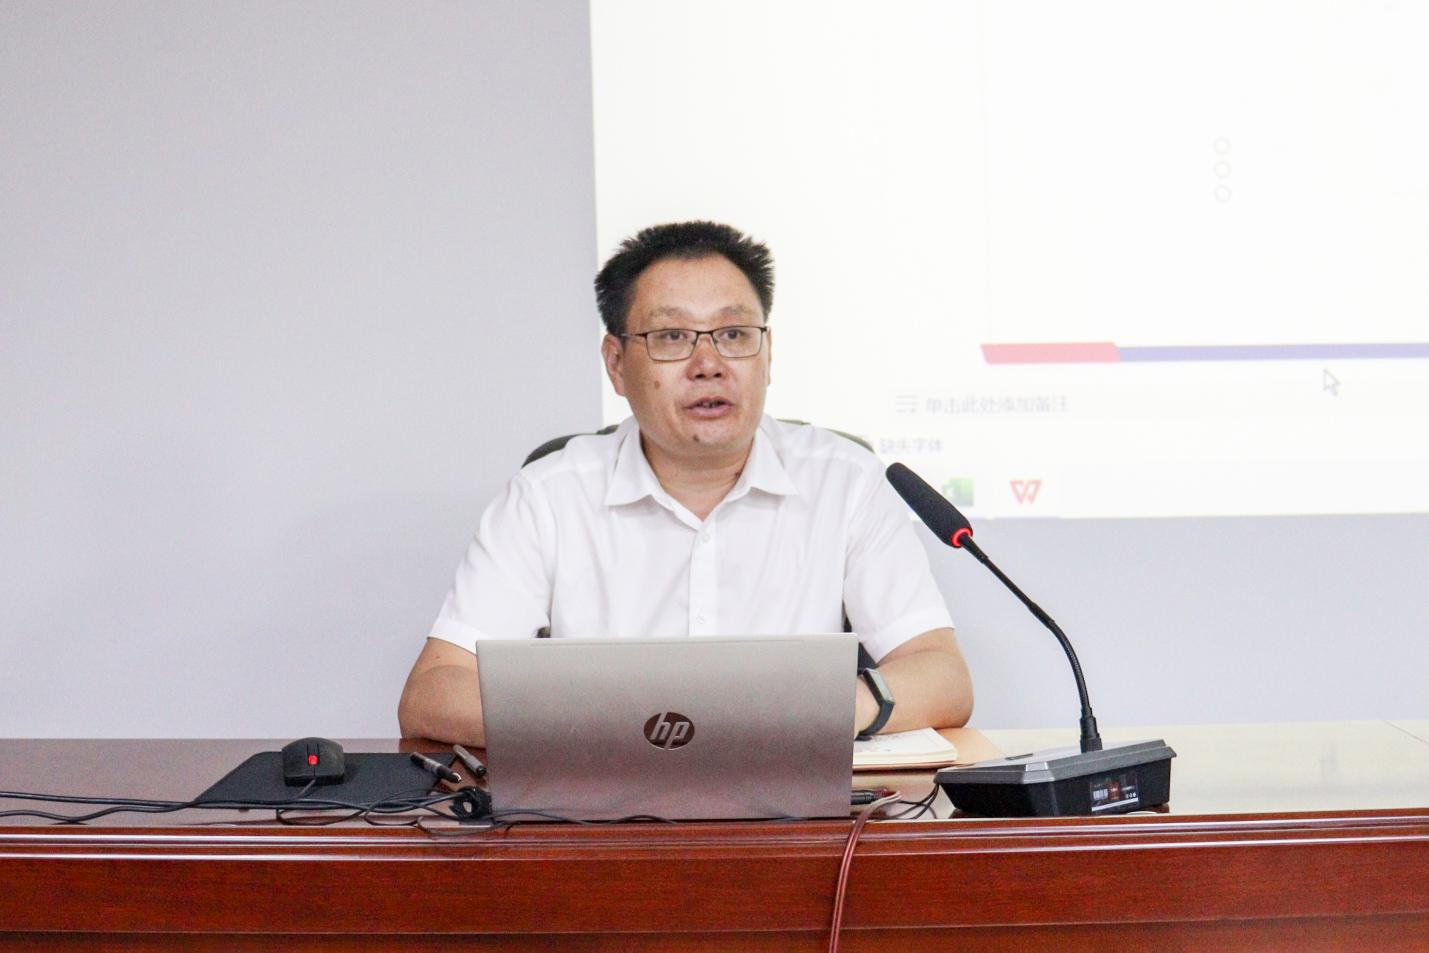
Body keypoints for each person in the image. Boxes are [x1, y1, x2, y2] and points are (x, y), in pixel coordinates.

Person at [398, 221, 972, 745]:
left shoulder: (847, 482)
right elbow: (433, 692)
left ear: (768, 354)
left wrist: (816, 713)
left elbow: (942, 674)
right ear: (616, 364)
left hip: (802, 812)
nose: (709, 363)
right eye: (673, 337)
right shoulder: (548, 496)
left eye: (734, 334)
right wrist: (626, 728)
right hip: (604, 808)